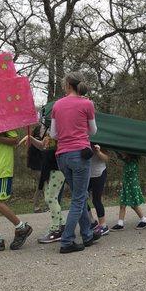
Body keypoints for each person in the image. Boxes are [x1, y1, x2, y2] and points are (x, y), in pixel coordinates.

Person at [51, 73, 99, 253]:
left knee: (80, 195)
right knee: (79, 198)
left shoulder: (57, 105)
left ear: (66, 85)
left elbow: (54, 134)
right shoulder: (87, 104)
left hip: (61, 156)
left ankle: (87, 235)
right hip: (80, 154)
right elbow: (93, 131)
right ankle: (67, 241)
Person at [25, 132, 66, 243]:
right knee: (49, 197)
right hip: (48, 167)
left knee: (51, 198)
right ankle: (62, 225)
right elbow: (43, 145)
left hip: (58, 166)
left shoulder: (59, 128)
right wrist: (31, 138)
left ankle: (55, 230)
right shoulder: (48, 129)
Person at [111, 152, 146, 230]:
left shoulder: (133, 163)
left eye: (124, 153)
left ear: (130, 155)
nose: (122, 155)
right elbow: (119, 155)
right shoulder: (127, 162)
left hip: (132, 186)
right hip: (126, 186)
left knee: (134, 205)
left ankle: (144, 220)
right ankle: (120, 224)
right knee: (122, 204)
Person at [88, 144, 110, 236]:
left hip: (99, 173)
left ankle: (103, 225)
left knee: (96, 200)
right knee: (81, 199)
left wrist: (98, 152)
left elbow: (106, 159)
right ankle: (92, 221)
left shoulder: (100, 142)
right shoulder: (81, 139)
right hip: (86, 174)